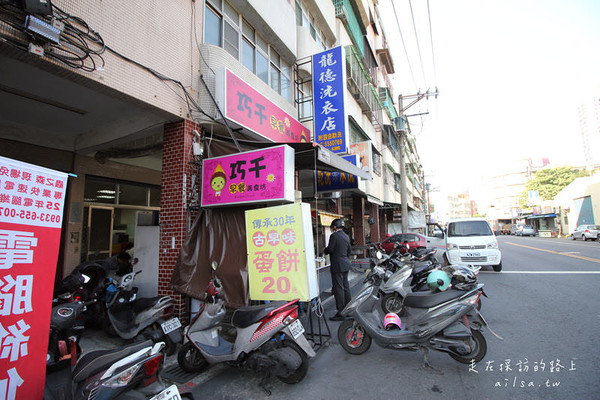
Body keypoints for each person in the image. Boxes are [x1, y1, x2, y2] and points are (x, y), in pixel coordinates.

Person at [324, 218, 352, 321]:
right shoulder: (346, 236)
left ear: (335, 227)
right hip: (345, 264)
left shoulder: (334, 236)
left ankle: (340, 312)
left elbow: (330, 249)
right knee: (346, 287)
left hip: (337, 265)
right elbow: (349, 251)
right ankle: (348, 309)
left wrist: (325, 250)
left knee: (338, 288)